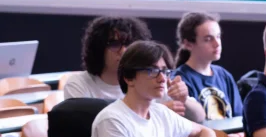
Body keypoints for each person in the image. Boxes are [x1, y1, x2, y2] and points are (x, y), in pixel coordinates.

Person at [64, 16, 205, 122]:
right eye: (114, 44)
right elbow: (96, 126)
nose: (124, 51)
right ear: (99, 49)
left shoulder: (150, 79)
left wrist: (184, 99)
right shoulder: (78, 84)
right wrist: (159, 112)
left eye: (130, 45)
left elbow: (199, 117)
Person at [174, 12, 244, 120]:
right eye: (208, 39)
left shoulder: (224, 75)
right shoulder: (181, 79)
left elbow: (239, 117)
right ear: (188, 44)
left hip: (231, 136)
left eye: (218, 36)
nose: (217, 44)